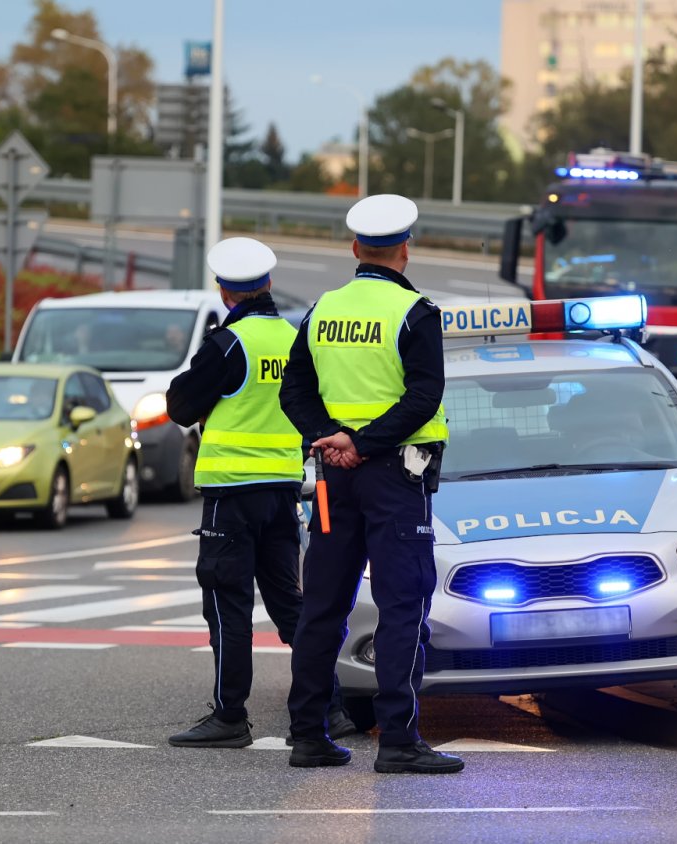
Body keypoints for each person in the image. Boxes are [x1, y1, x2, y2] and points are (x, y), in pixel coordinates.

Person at [279, 194, 464, 774]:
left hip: (334, 478)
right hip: (394, 477)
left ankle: (308, 736)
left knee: (323, 607)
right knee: (402, 606)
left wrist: (329, 437)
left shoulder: (322, 309)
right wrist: (362, 442)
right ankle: (399, 741)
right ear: (405, 249)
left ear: (356, 248)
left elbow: (294, 391)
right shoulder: (416, 312)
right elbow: (423, 396)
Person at [164, 236, 358, 748]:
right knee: (291, 606)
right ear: (269, 283)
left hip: (231, 494)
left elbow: (179, 406)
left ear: (224, 291)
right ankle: (332, 708)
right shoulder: (294, 338)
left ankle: (230, 717)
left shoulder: (228, 344)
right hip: (282, 491)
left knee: (227, 605)